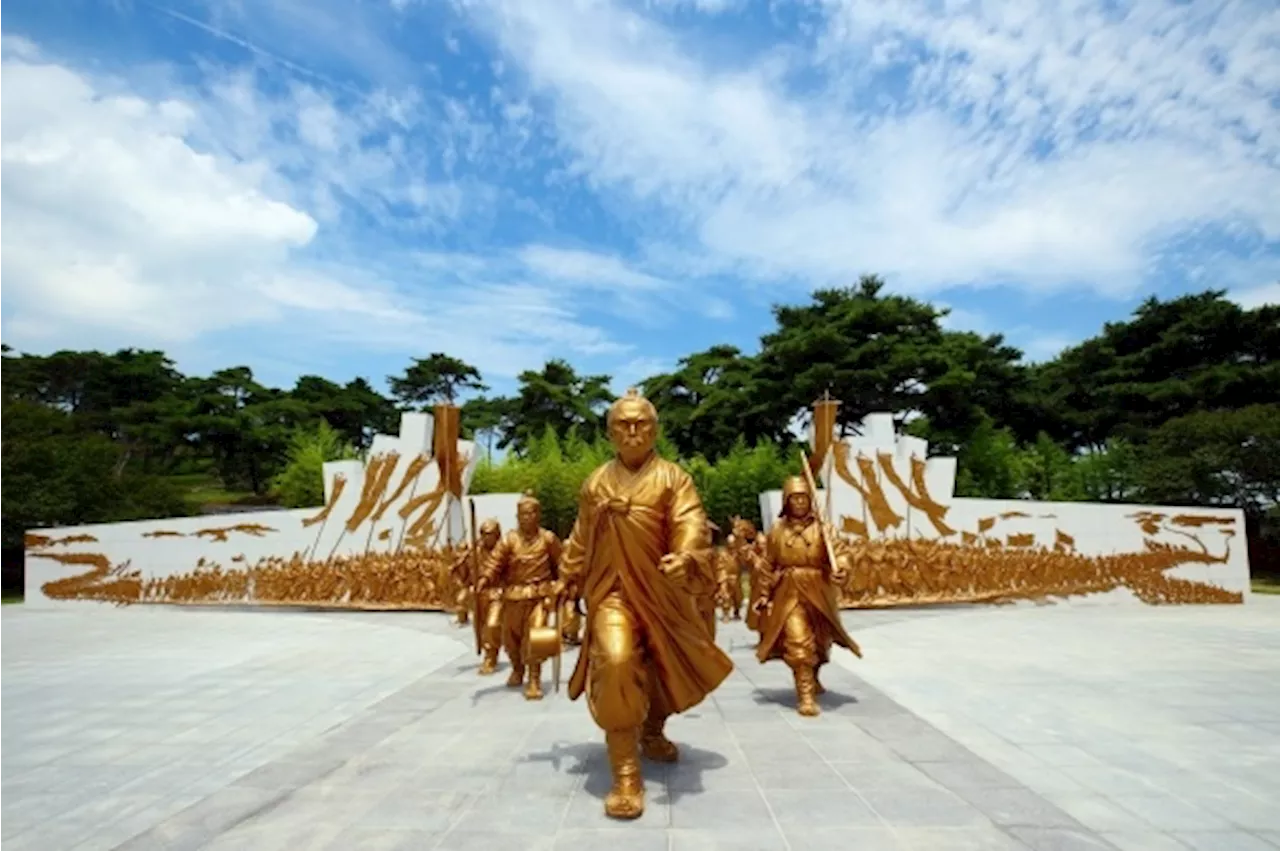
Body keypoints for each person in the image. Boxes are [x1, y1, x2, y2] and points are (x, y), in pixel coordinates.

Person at [557, 389, 733, 820]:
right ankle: (625, 772)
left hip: (661, 593)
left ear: (655, 429)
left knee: (662, 665)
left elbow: (690, 521)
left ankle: (652, 728)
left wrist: (686, 555)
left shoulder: (674, 478)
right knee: (616, 662)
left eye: (641, 423)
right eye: (623, 424)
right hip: (610, 592)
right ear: (609, 431)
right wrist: (565, 580)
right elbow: (580, 537)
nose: (632, 431)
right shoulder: (596, 483)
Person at [752, 475, 862, 717]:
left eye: (804, 498)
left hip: (819, 590)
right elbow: (768, 565)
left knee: (821, 642)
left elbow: (841, 554)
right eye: (795, 498)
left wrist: (841, 568)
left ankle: (813, 675)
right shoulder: (777, 531)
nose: (800, 503)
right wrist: (763, 594)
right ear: (786, 501)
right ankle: (806, 696)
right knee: (798, 642)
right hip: (789, 590)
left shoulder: (825, 529)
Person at [476, 492, 562, 700]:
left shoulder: (548, 539)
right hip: (513, 597)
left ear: (537, 515)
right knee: (510, 639)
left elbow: (562, 566)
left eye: (530, 514)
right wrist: (485, 578)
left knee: (535, 637)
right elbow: (495, 561)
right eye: (522, 514)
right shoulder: (509, 540)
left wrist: (561, 586)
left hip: (538, 597)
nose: (526, 518)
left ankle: (534, 678)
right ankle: (517, 669)